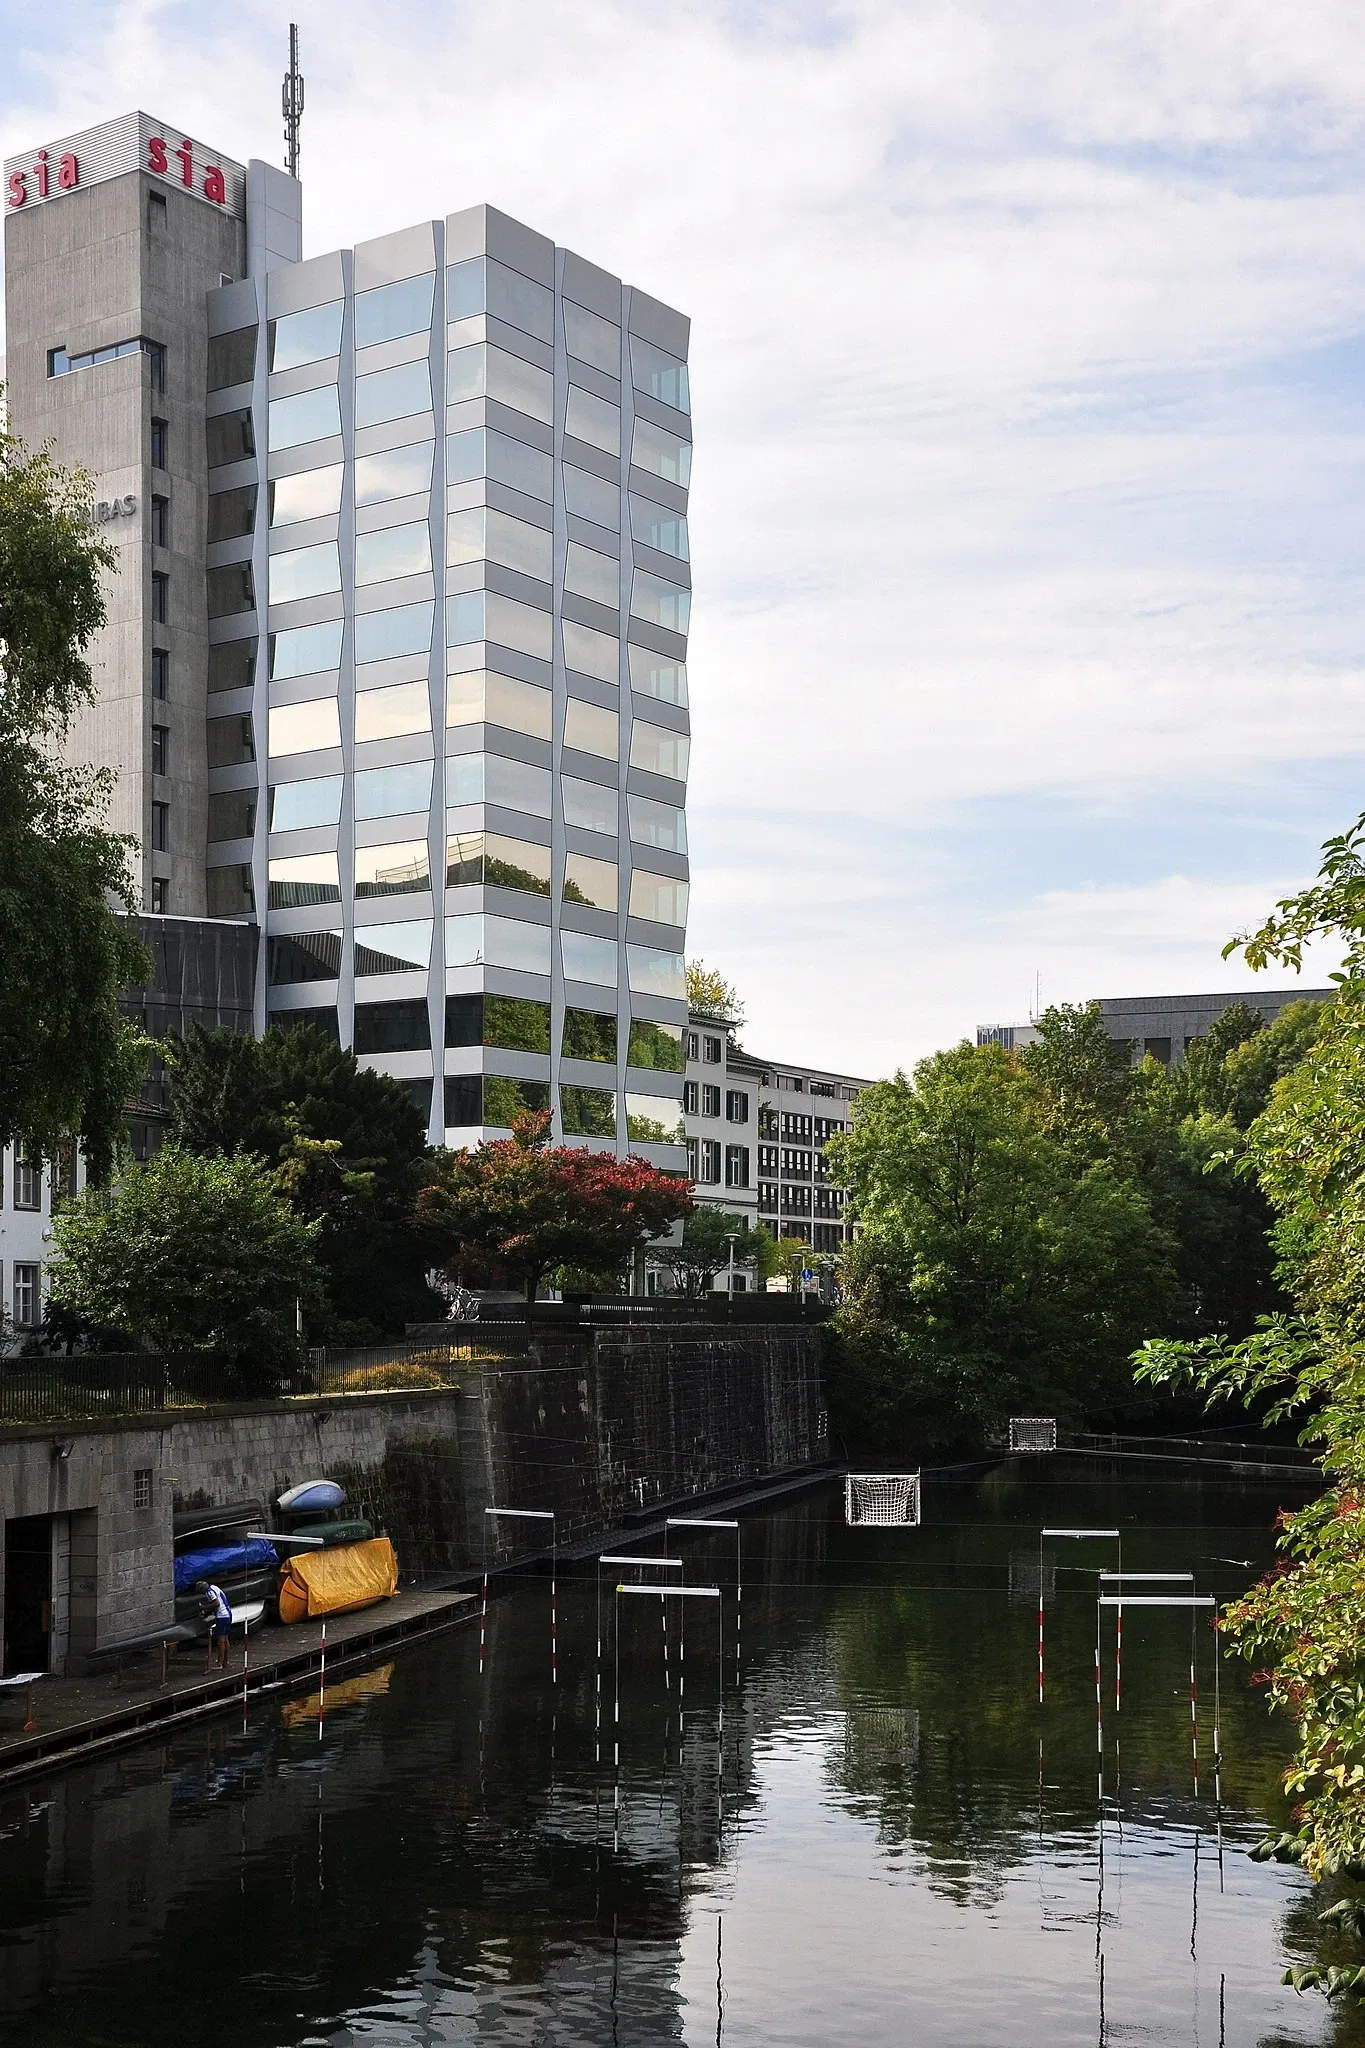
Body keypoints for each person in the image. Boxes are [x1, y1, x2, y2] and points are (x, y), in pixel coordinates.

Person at [199, 1580, 232, 1670]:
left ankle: (219, 1664)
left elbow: (216, 1603)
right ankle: (225, 1661)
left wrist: (203, 1607)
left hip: (221, 1617)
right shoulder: (214, 1587)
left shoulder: (209, 1592)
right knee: (226, 1639)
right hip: (228, 1614)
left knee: (220, 1641)